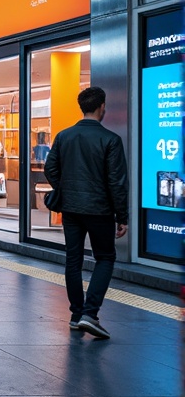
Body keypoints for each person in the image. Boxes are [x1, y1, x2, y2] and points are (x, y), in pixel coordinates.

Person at [43, 86, 129, 339]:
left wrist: (64, 188)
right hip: (100, 209)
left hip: (70, 208)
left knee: (74, 259)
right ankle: (90, 314)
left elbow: (51, 168)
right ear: (102, 107)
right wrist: (121, 217)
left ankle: (76, 314)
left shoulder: (64, 136)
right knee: (105, 257)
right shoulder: (110, 140)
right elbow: (117, 182)